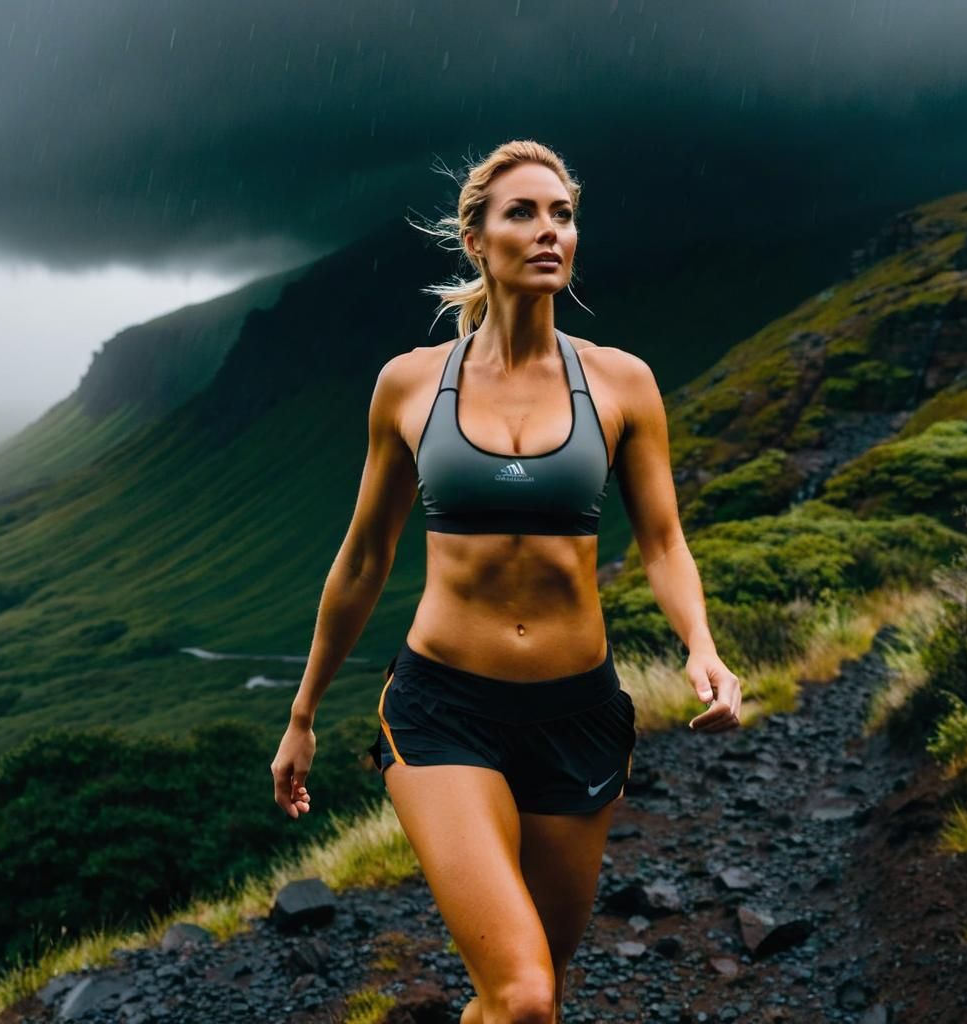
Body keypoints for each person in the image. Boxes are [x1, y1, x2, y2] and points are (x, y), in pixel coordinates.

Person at [271, 139, 742, 1024]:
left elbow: (664, 542)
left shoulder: (622, 382)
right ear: (477, 241)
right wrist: (302, 717)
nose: (548, 230)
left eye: (562, 214)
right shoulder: (411, 386)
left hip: (579, 716)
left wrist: (701, 646)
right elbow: (364, 560)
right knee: (524, 997)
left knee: (529, 999)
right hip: (445, 709)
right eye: (522, 213)